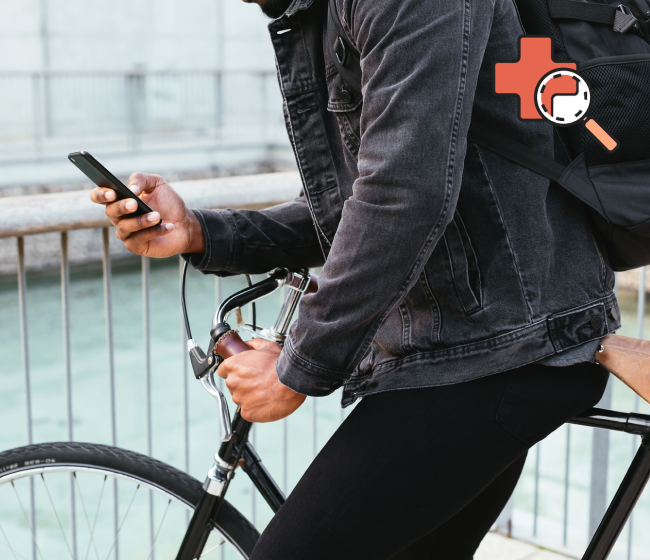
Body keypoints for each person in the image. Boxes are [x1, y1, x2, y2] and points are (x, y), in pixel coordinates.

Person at [91, 0, 620, 557]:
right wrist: (200, 231)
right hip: (473, 345)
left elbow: (401, 195)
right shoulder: (320, 12)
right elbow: (357, 205)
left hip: (497, 351)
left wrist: (294, 370)